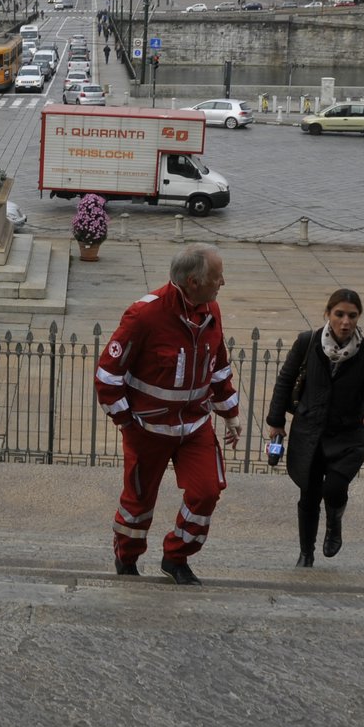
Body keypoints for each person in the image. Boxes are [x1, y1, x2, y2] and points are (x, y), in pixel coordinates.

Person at [94, 244, 241, 586]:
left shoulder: (211, 311)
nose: (223, 282)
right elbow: (107, 376)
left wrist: (230, 413)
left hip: (195, 426)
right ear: (193, 281)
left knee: (206, 491)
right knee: (138, 502)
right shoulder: (144, 315)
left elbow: (218, 367)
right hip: (147, 430)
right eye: (217, 277)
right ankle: (126, 556)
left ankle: (176, 557)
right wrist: (126, 422)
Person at [264, 290, 364, 567]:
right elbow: (286, 380)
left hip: (348, 434)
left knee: (335, 488)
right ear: (328, 314)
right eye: (339, 314)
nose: (345, 322)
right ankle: (306, 553)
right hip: (310, 431)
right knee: (308, 495)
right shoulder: (308, 342)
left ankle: (334, 522)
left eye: (352, 316)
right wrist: (276, 422)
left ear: (358, 317)